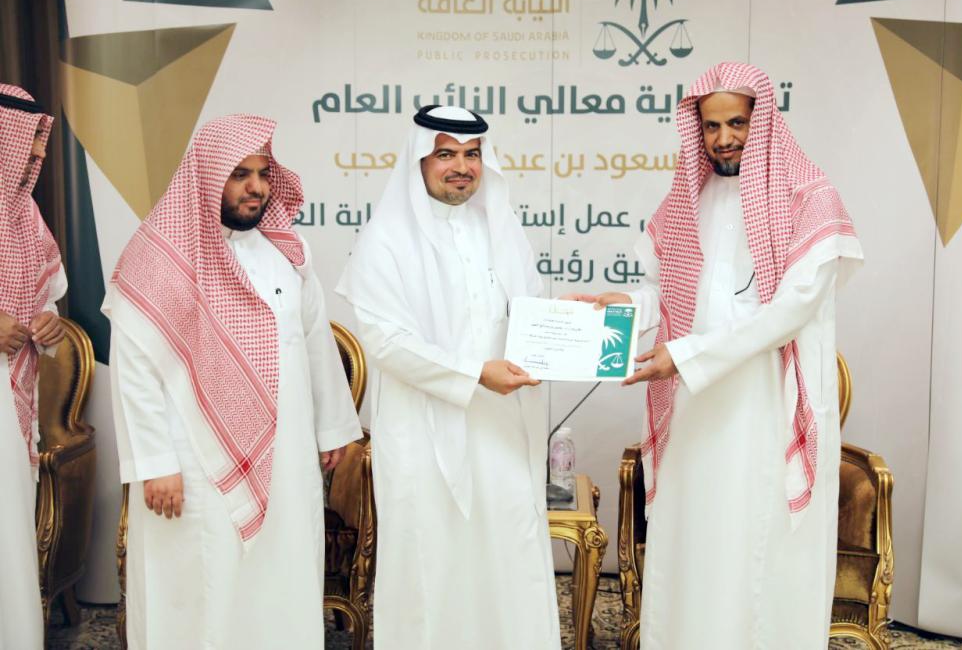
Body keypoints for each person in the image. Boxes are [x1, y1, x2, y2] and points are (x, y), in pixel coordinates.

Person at [571, 62, 863, 648]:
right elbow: (675, 295)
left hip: (764, 405)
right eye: (710, 126)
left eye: (736, 123)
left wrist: (685, 356)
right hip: (695, 408)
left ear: (763, 121)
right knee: (694, 539)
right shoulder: (693, 199)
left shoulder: (810, 200)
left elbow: (787, 313)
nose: (723, 138)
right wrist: (625, 304)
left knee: (754, 546)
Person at [104, 114, 361, 649]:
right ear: (206, 178)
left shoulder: (288, 251)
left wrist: (333, 427)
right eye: (239, 174)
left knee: (279, 580)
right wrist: (154, 463)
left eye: (263, 174)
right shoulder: (159, 257)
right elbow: (134, 369)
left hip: (286, 457)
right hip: (193, 464)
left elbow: (314, 342)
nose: (256, 187)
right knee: (202, 589)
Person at [337, 105, 560, 649]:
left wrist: (565, 325)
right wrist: (474, 374)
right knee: (432, 565)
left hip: (502, 429)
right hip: (423, 435)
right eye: (445, 154)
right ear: (420, 160)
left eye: (471, 154)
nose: (461, 166)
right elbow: (387, 342)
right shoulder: (386, 239)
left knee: (508, 555)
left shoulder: (502, 231)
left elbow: (527, 316)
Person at [0, 83, 67, 650]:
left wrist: (50, 325)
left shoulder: (26, 215)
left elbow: (46, 299)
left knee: (9, 537)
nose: (37, 155)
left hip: (12, 405)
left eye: (39, 143)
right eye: (26, 143)